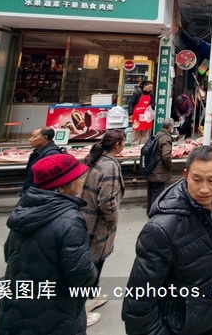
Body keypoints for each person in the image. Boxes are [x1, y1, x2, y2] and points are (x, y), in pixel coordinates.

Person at [122, 145, 212, 335]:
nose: (204, 189)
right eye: (196, 179)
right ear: (186, 175)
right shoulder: (161, 228)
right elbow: (138, 303)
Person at [0, 153, 99, 334]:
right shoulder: (70, 220)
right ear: (63, 186)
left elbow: (8, 252)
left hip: (14, 307)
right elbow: (81, 274)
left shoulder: (24, 210)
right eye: (78, 178)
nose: (82, 181)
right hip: (55, 312)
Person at [80, 129, 126, 324]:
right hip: (97, 223)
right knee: (93, 263)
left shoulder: (95, 159)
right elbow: (106, 200)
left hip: (86, 218)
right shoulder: (109, 166)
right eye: (123, 142)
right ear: (117, 145)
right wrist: (113, 219)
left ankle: (91, 295)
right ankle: (82, 307)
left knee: (91, 261)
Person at [144, 118, 174, 212]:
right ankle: (154, 212)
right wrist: (170, 166)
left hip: (150, 168)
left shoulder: (156, 135)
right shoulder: (166, 138)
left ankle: (149, 210)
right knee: (157, 192)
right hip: (159, 171)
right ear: (170, 126)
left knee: (151, 191)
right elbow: (166, 156)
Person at [22, 127, 64, 194]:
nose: (30, 139)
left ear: (44, 138)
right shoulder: (39, 151)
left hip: (39, 195)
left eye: (34, 137)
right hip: (32, 193)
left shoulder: (52, 154)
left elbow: (49, 181)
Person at [127, 80, 155, 145]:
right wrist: (130, 113)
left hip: (146, 116)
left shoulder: (151, 94)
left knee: (145, 132)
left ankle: (143, 146)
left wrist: (151, 106)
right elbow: (131, 103)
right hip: (137, 116)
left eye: (151, 87)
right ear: (144, 86)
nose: (150, 89)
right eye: (149, 87)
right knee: (136, 132)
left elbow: (153, 103)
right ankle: (134, 146)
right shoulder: (137, 93)